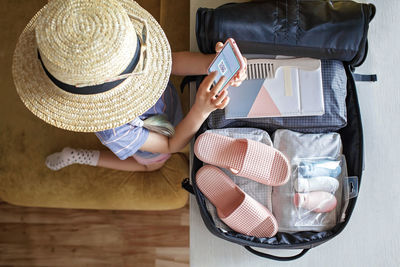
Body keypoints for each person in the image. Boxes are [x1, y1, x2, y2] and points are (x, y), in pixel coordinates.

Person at [12, 0, 246, 172]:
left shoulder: (127, 50)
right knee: (147, 166)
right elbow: (169, 145)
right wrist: (200, 110)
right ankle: (79, 156)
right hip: (157, 136)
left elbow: (171, 63)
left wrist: (214, 65)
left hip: (167, 113)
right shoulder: (114, 131)